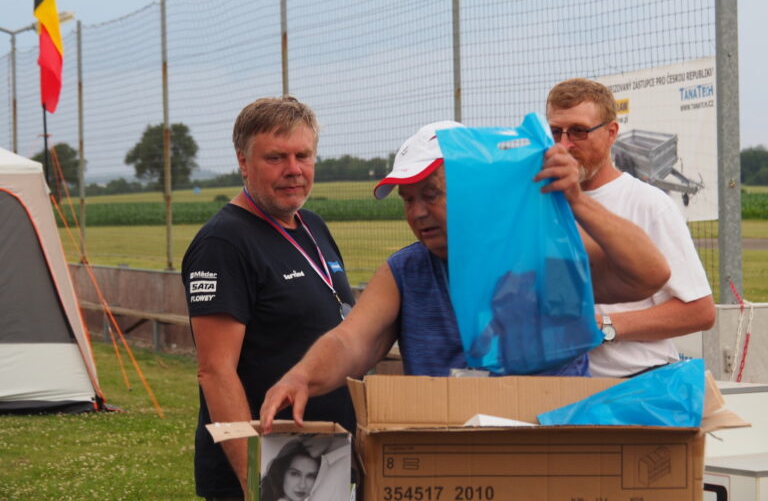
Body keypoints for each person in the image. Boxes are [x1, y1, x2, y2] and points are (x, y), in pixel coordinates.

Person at [259, 120, 671, 431]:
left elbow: (649, 275)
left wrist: (576, 201)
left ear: (475, 191)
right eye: (408, 200)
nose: (418, 213)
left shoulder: (539, 256)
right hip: (449, 452)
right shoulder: (405, 272)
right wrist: (302, 376)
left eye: (431, 194)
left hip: (546, 446)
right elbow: (351, 340)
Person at [182, 96, 356, 501]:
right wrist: (255, 483)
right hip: (269, 476)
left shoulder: (312, 226)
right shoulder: (223, 243)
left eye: (303, 155)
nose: (293, 169)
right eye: (276, 157)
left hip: (326, 464)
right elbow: (216, 371)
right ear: (243, 162)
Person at [546, 78, 716, 377]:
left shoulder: (650, 204)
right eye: (555, 131)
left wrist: (604, 327)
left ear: (611, 132)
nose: (564, 144)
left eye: (579, 131)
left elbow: (699, 311)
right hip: (553, 384)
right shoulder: (541, 200)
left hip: (632, 382)